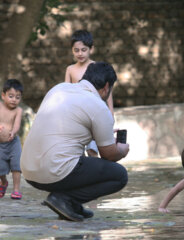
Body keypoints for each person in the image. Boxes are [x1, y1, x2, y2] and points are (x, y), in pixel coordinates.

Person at [21, 62, 129, 222]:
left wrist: (98, 136)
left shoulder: (58, 89)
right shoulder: (99, 106)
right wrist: (121, 149)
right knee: (119, 175)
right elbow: (109, 155)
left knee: (76, 162)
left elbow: (68, 129)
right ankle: (66, 199)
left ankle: (71, 204)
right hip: (56, 172)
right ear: (107, 87)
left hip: (29, 172)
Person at [65, 30, 115, 157]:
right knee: (77, 150)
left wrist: (111, 113)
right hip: (77, 115)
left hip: (94, 114)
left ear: (91, 49)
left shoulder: (97, 68)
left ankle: (96, 172)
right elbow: (66, 92)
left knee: (92, 149)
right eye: (76, 50)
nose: (80, 53)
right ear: (72, 50)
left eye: (83, 49)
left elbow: (108, 92)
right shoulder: (70, 70)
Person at [0, 79, 23, 200]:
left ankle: (16, 190)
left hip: (13, 143)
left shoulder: (18, 110)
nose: (14, 99)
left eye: (17, 97)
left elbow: (17, 125)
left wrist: (13, 132)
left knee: (16, 166)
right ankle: (3, 182)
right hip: (1, 145)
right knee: (0, 170)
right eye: (11, 96)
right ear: (3, 96)